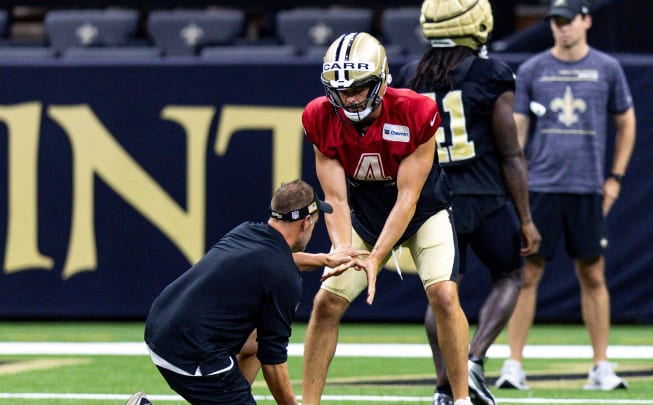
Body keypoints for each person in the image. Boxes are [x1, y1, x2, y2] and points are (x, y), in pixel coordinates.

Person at [301, 32, 474, 405]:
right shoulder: (319, 116)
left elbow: (408, 197)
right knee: (325, 302)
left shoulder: (416, 111)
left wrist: (377, 257)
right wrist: (345, 249)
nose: (349, 97)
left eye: (359, 87)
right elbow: (335, 198)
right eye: (340, 88)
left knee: (444, 294)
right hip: (364, 216)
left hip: (423, 212)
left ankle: (461, 399)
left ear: (380, 81)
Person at [394, 0, 541, 404]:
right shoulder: (492, 74)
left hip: (434, 198)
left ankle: (445, 385)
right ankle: (473, 360)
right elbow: (511, 152)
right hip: (485, 194)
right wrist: (526, 218)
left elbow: (400, 148)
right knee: (511, 275)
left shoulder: (410, 74)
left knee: (442, 292)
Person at [495, 0, 636, 391]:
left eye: (568, 21)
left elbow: (627, 124)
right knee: (528, 274)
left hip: (588, 187)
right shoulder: (533, 69)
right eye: (556, 22)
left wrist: (615, 178)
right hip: (541, 187)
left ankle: (601, 365)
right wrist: (517, 184)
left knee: (593, 273)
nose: (562, 28)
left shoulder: (607, 68)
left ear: (586, 21)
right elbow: (518, 134)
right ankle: (514, 364)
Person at [142, 179, 366, 404]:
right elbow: (273, 362)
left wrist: (323, 259)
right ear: (306, 222)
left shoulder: (247, 231)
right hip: (187, 350)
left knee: (255, 338)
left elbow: (278, 261)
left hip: (160, 324)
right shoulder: (284, 278)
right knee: (264, 340)